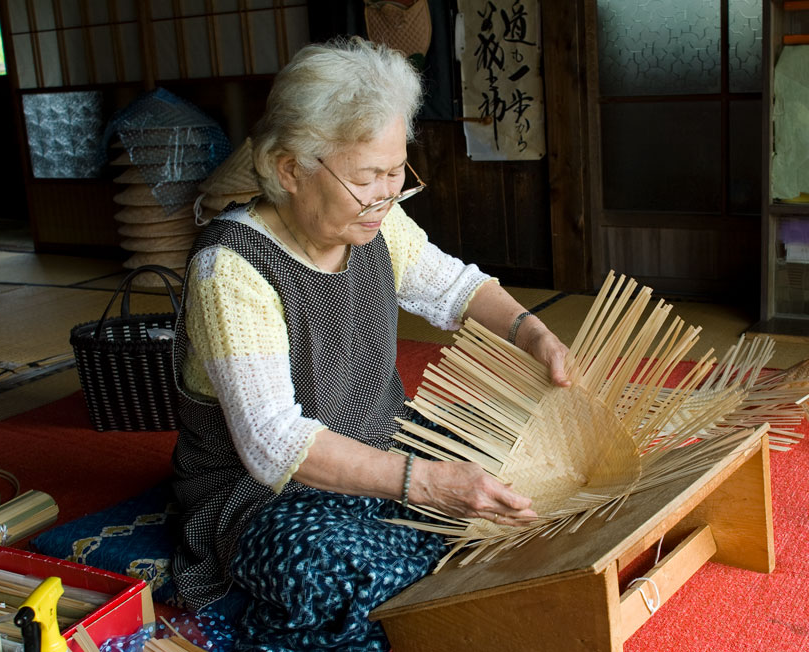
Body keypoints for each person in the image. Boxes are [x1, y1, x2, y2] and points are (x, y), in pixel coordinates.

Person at [170, 37, 570, 651]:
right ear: (289, 169)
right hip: (260, 493)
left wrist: (532, 332)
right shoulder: (230, 270)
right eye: (367, 178)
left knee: (526, 470)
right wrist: (431, 484)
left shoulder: (374, 219)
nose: (386, 195)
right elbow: (274, 444)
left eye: (395, 173)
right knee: (339, 574)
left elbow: (457, 288)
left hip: (385, 445)